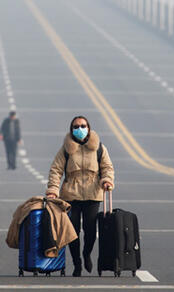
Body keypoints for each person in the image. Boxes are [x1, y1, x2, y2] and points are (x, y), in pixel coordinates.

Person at [46, 116, 114, 277]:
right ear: (71, 130)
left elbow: (107, 167)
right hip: (71, 195)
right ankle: (77, 263)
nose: (80, 129)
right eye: (76, 126)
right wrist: (53, 189)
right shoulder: (66, 149)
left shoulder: (99, 148)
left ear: (88, 128)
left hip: (92, 195)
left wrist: (107, 180)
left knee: (90, 231)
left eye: (83, 126)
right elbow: (56, 170)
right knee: (73, 232)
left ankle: (86, 253)